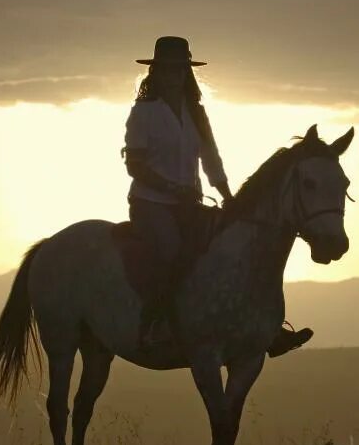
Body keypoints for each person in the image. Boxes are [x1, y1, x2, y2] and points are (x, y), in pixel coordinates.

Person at [122, 35, 313, 357]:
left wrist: (228, 195)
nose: (175, 76)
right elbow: (135, 165)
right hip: (150, 204)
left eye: (180, 70)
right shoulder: (143, 113)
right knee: (170, 251)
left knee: (231, 250)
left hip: (189, 204)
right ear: (155, 73)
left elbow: (210, 157)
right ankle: (157, 322)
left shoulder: (196, 113)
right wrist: (170, 188)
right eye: (168, 70)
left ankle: (263, 326)